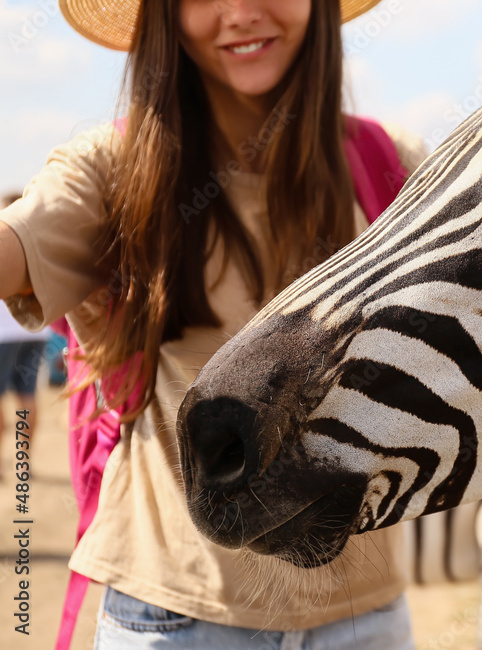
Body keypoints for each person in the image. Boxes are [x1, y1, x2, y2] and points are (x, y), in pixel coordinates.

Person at [0, 1, 425, 648]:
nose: (240, 13)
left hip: (365, 616)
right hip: (178, 618)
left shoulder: (387, 161)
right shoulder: (115, 170)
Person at [0, 192, 50, 477]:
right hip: (34, 332)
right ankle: (24, 463)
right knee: (27, 397)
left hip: (4, 335)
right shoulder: (37, 242)